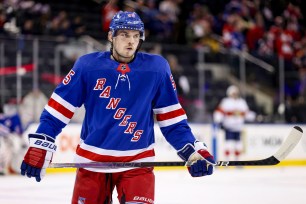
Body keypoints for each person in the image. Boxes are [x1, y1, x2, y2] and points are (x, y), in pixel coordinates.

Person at [20, 11, 216, 204]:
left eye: (136, 36)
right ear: (110, 36)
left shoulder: (156, 69)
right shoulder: (87, 66)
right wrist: (41, 143)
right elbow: (58, 111)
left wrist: (193, 151)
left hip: (138, 165)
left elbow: (172, 121)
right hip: (91, 164)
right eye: (124, 35)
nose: (131, 41)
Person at [213, 85, 256, 161]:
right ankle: (227, 160)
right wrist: (218, 119)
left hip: (238, 127)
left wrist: (253, 116)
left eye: (236, 93)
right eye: (233, 93)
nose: (235, 94)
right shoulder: (226, 102)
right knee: (228, 144)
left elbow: (246, 113)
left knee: (238, 144)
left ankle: (237, 160)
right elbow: (219, 112)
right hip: (229, 126)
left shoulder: (241, 102)